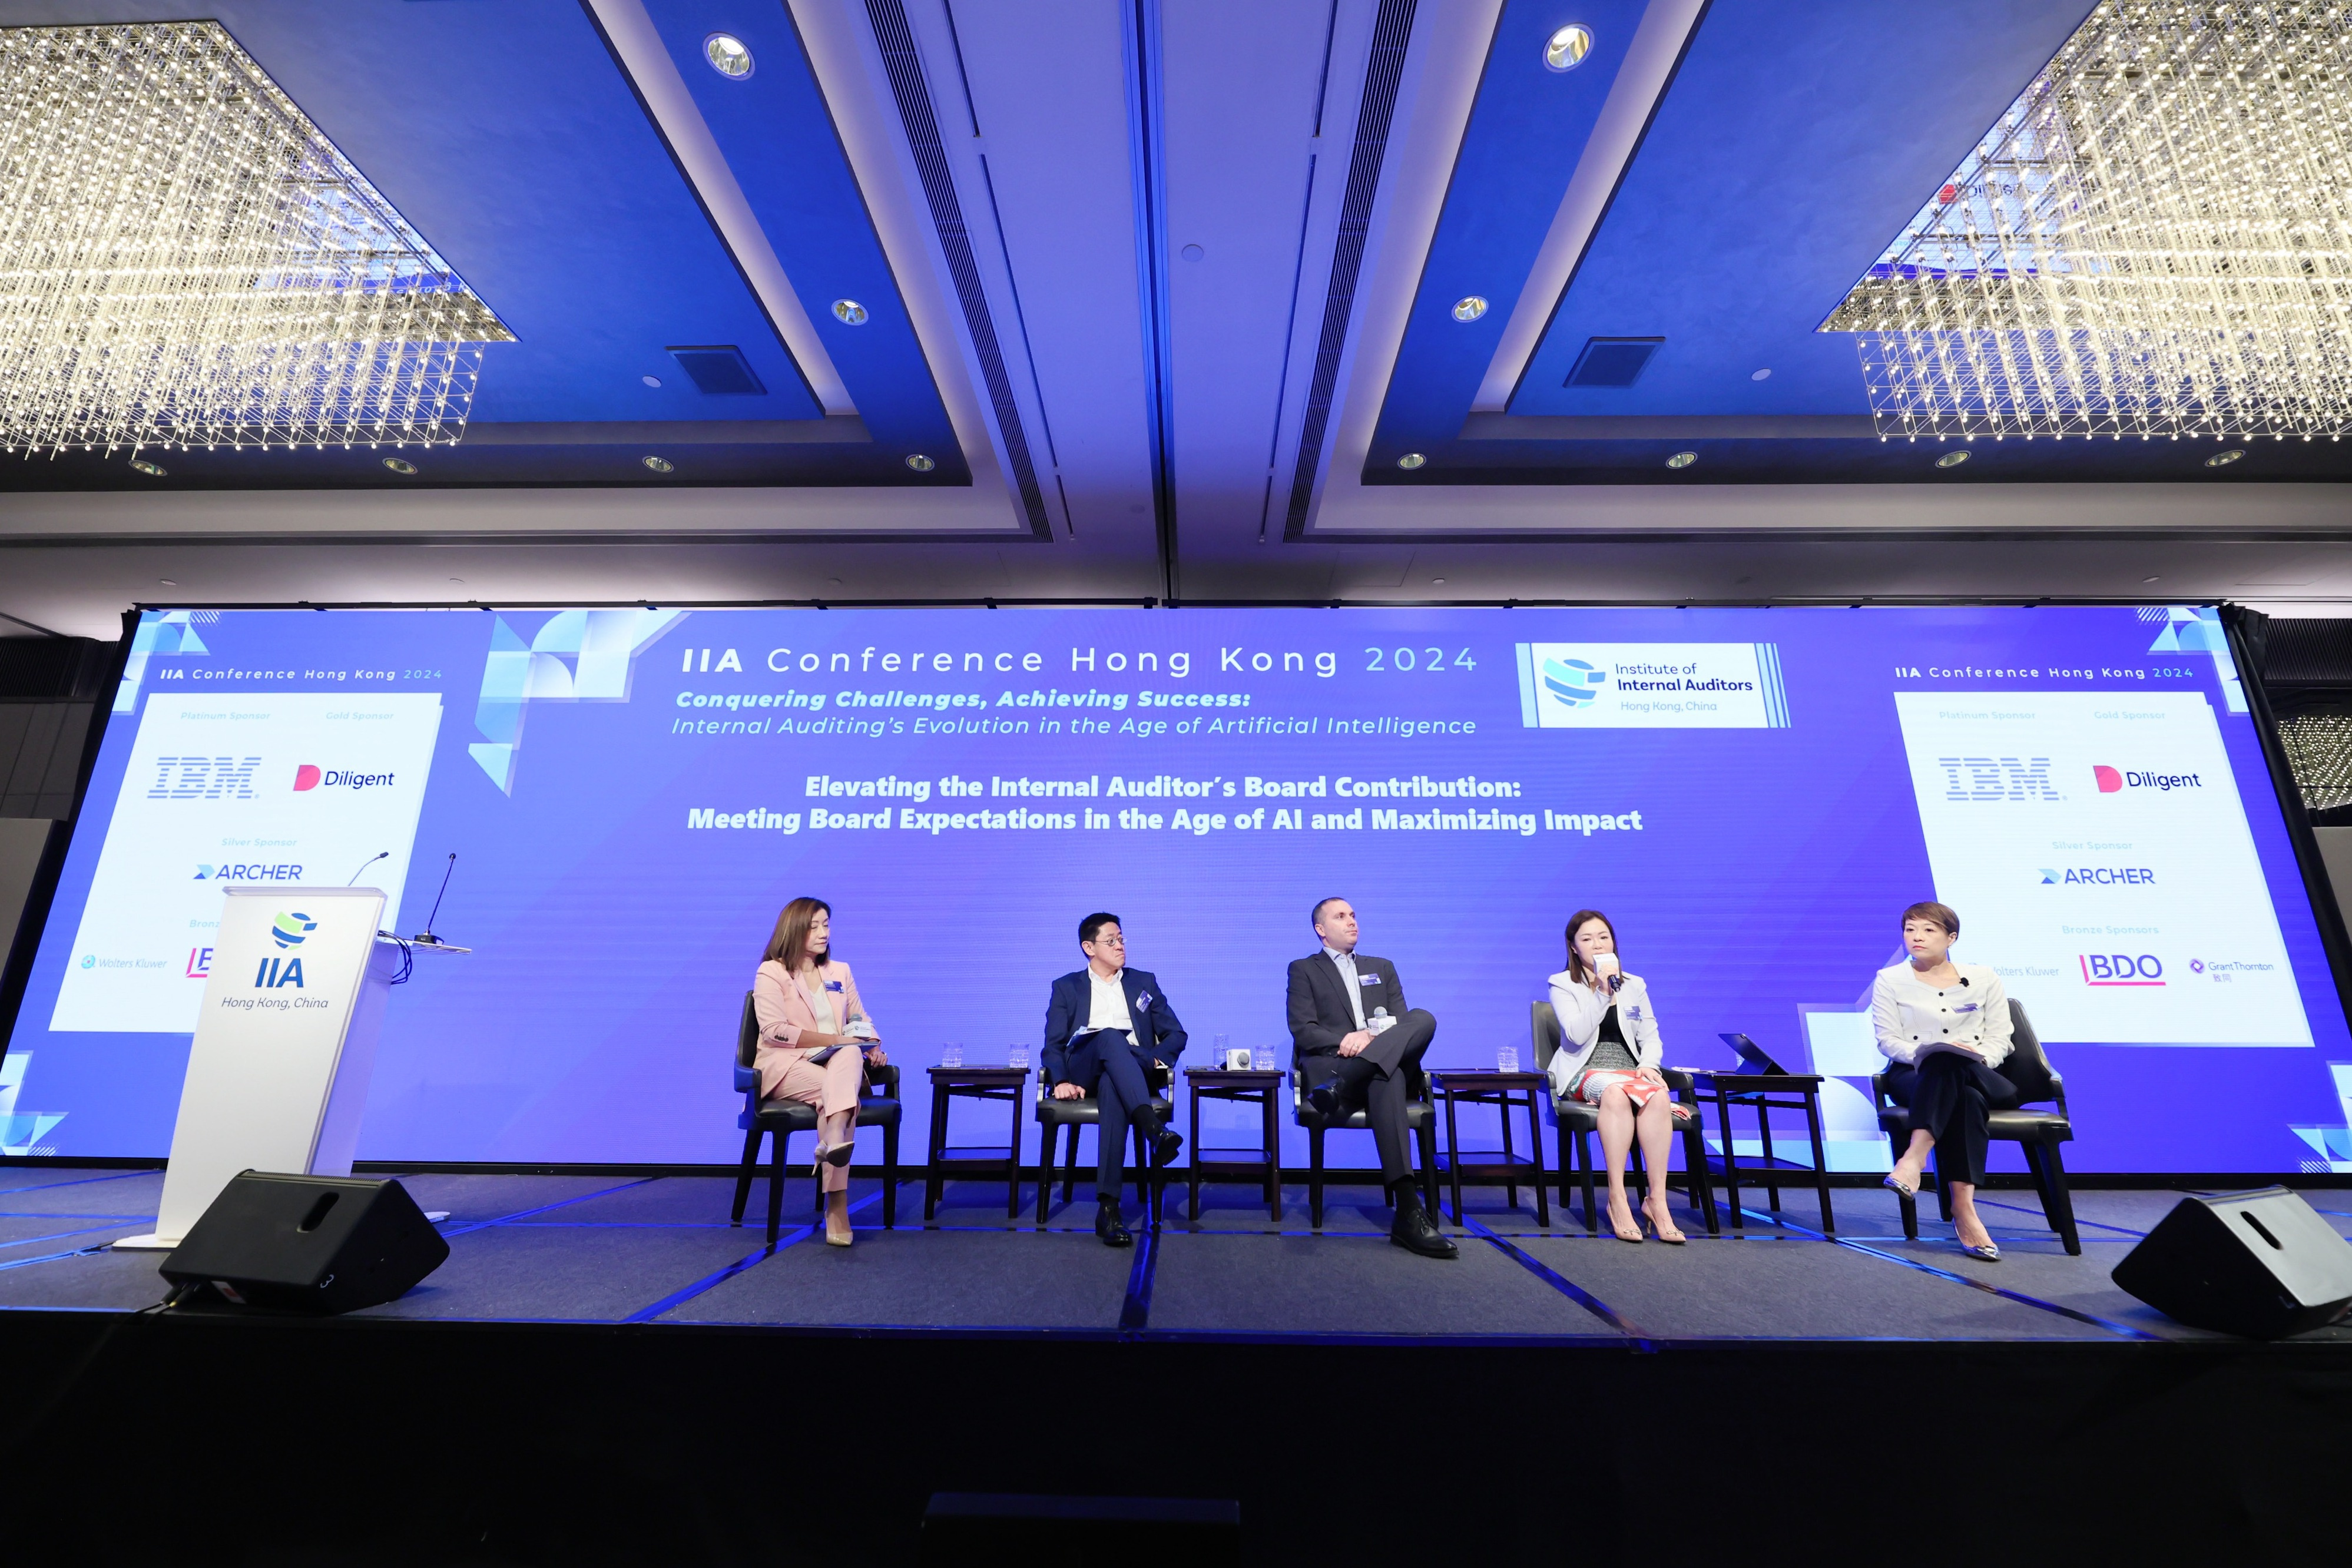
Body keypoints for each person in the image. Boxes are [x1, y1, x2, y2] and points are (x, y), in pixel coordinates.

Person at [1287, 897, 1455, 1259]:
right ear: (1321, 930)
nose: (1352, 921)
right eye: (1341, 916)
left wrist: (1369, 1038)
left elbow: (1402, 1025)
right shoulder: (1304, 969)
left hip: (1341, 1083)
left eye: (1353, 915)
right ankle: (1409, 1212)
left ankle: (1345, 1083)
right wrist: (1349, 1040)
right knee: (1387, 1073)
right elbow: (1304, 1030)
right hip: (1333, 1064)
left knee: (1423, 1018)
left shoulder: (1382, 967)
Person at [1873, 900, 2015, 1262]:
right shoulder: (1889, 979)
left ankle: (1913, 1159)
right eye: (1910, 930)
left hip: (1979, 1070)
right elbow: (1888, 1040)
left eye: (1928, 930)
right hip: (1915, 1074)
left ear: (1951, 938)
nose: (1917, 937)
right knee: (1959, 1089)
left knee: (1958, 1069)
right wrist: (1928, 1053)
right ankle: (1964, 1211)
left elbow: (2001, 1037)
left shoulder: (1984, 977)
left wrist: (1976, 1057)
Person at [1546, 911, 1693, 1244]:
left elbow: (1650, 1036)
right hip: (1584, 1071)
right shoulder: (1562, 984)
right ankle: (1617, 1197)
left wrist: (1650, 1065)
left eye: (1604, 937)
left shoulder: (1635, 984)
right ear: (1574, 947)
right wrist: (1601, 992)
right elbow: (1576, 1034)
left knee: (1658, 1095)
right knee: (1614, 1092)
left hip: (1630, 1070)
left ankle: (1657, 1201)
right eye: (1587, 939)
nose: (1597, 945)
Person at [1043, 913, 1187, 1248]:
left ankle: (1108, 1210)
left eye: (1121, 939)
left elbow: (1176, 1034)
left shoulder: (1143, 982)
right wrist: (1060, 1080)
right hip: (1084, 1071)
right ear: (1089, 947)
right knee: (1109, 1036)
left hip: (1130, 1073)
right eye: (1111, 941)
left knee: (1114, 1081)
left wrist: (1154, 1059)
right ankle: (1153, 1128)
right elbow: (1053, 1045)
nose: (1120, 945)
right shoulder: (1066, 987)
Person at [752, 898, 887, 1248]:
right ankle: (837, 1207)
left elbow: (859, 1020)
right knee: (842, 1090)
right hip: (787, 1065)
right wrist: (836, 1039)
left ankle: (834, 1138)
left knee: (849, 1057)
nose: (823, 933)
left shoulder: (840, 971)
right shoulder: (772, 973)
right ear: (793, 929)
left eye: (826, 925)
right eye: (814, 927)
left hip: (836, 1063)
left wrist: (871, 1045)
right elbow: (774, 1032)